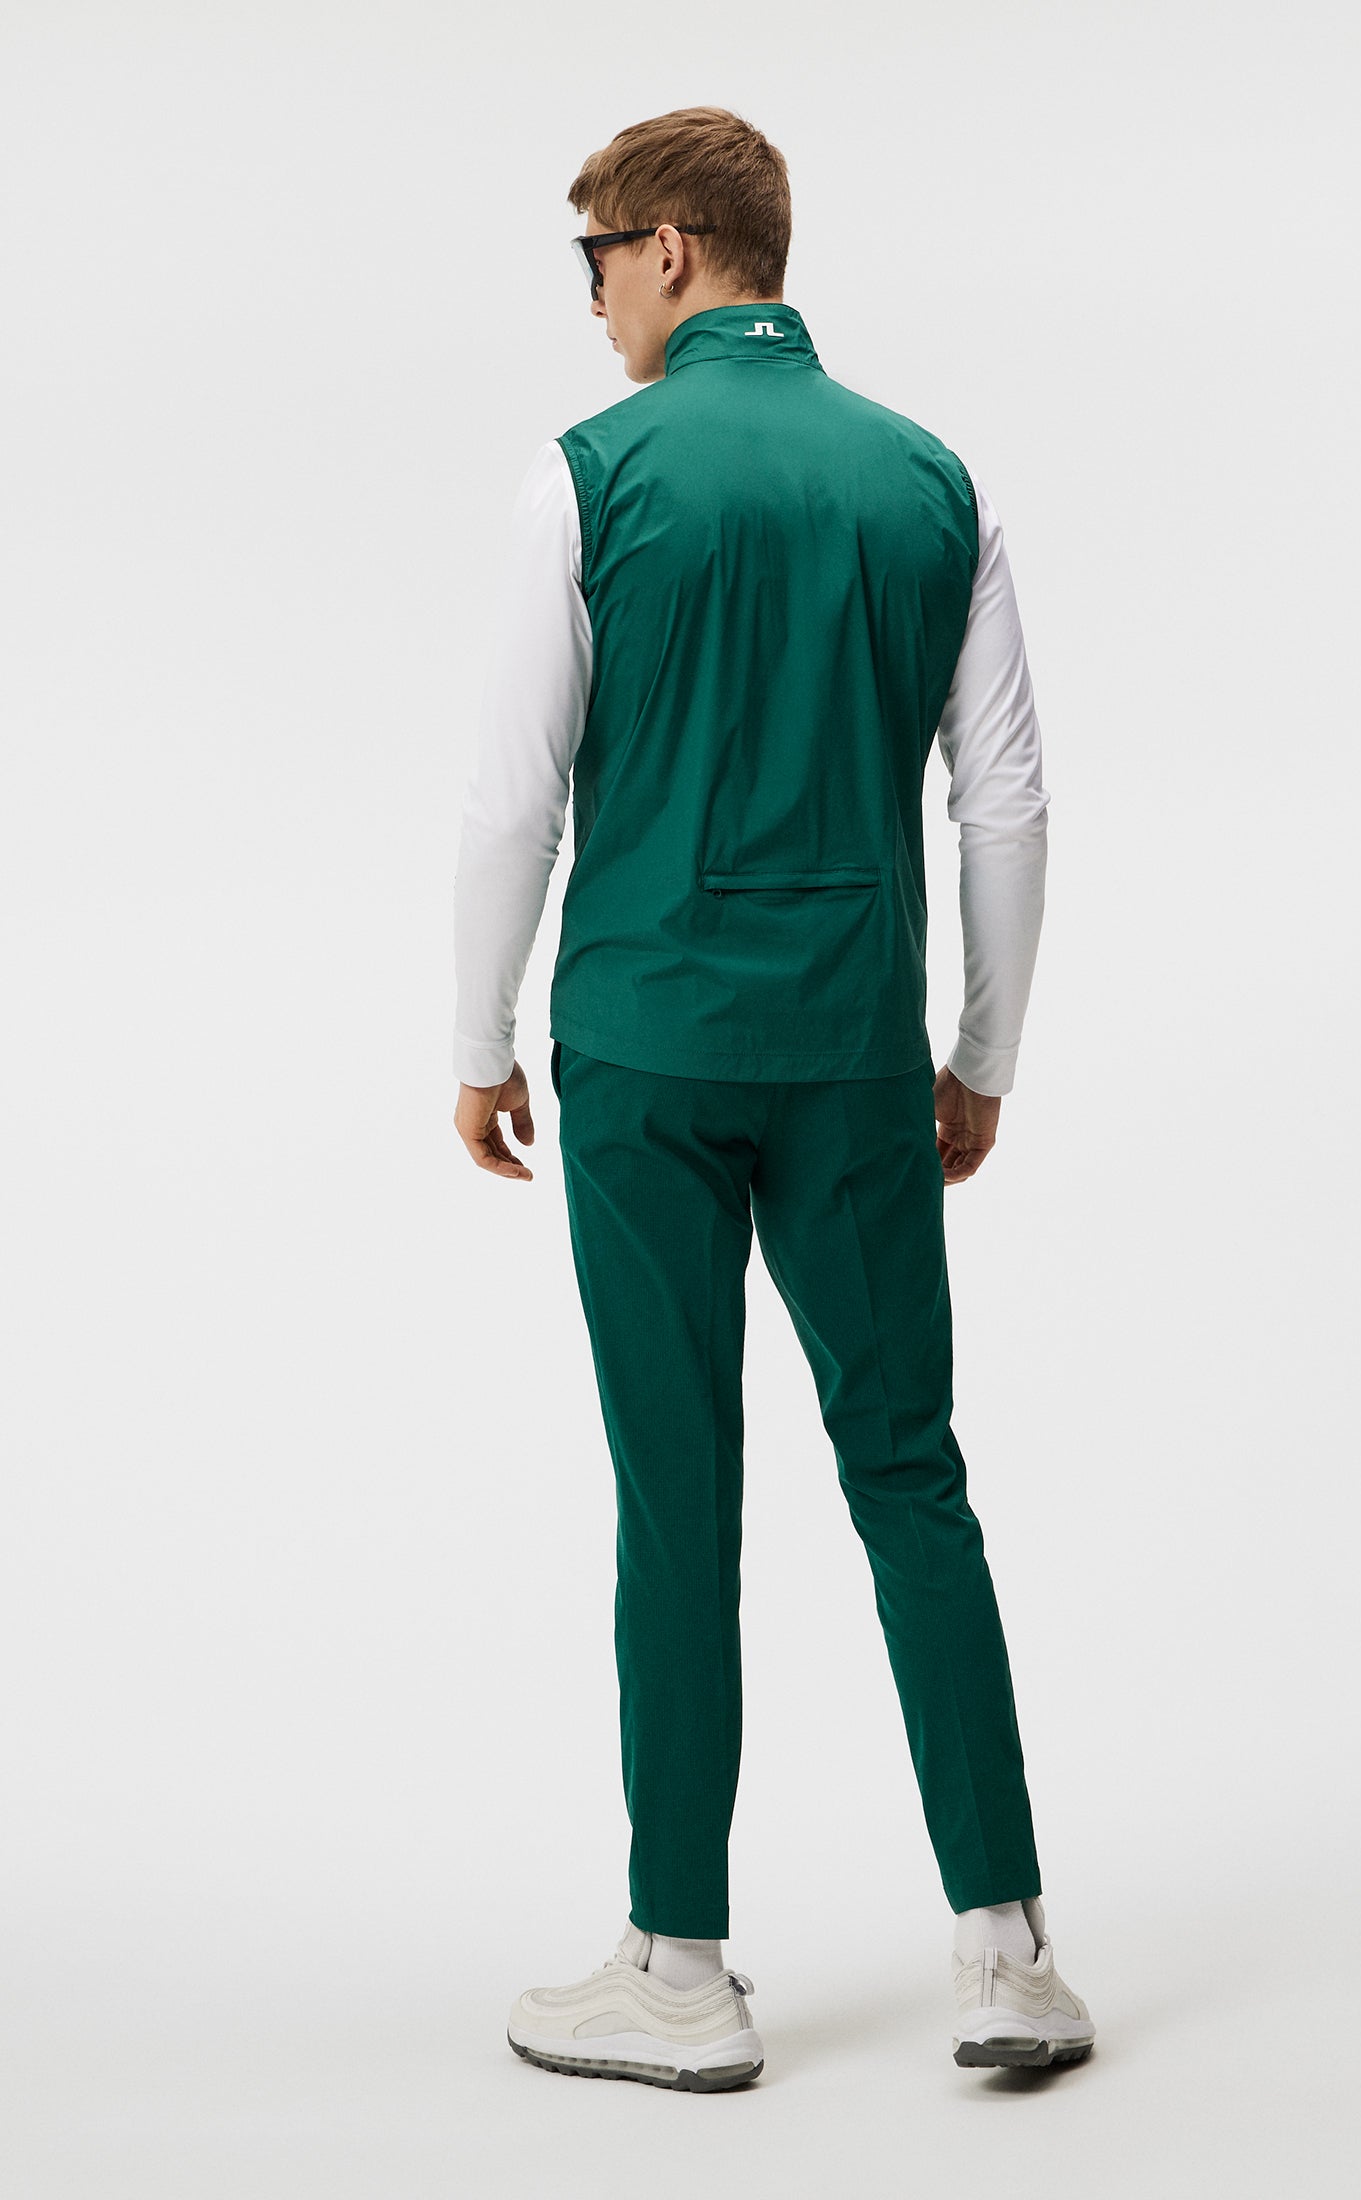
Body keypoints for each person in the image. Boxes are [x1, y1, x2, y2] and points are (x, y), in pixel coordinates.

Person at [451, 106, 1093, 2089]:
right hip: (851, 1056)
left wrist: (475, 1034)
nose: (587, 301)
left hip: (645, 1055)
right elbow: (1005, 806)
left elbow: (512, 792)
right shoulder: (931, 481)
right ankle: (1008, 1953)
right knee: (910, 1472)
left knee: (679, 1493)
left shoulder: (594, 474)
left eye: (592, 259)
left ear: (669, 247)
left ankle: (678, 1967)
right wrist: (978, 1057)